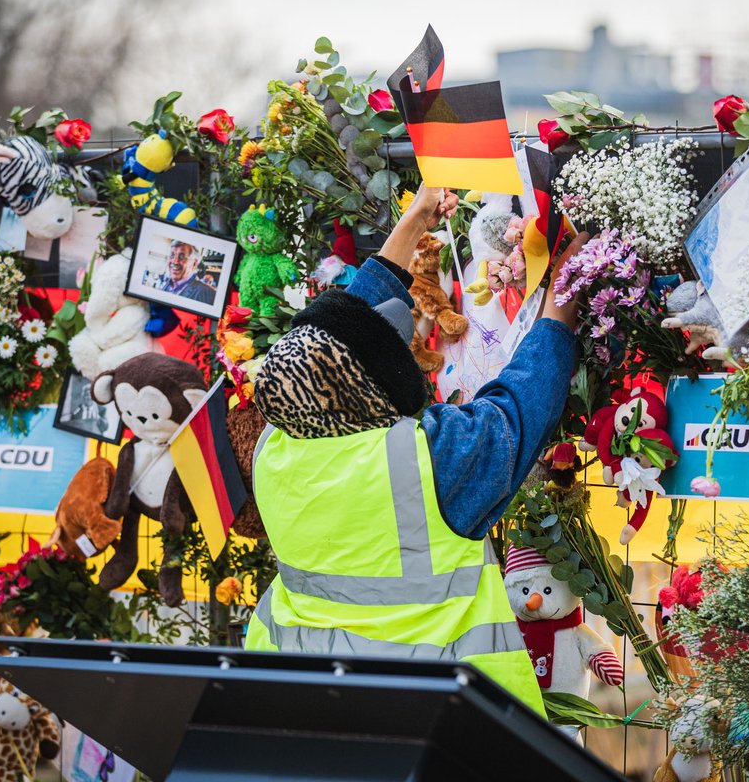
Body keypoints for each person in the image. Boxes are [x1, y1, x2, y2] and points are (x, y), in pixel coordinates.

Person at [245, 184, 589, 716]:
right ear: (371, 385)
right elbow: (519, 410)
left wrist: (413, 223)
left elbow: (332, 341)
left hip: (316, 706)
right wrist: (559, 311)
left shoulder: (276, 449)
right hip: (446, 722)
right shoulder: (424, 460)